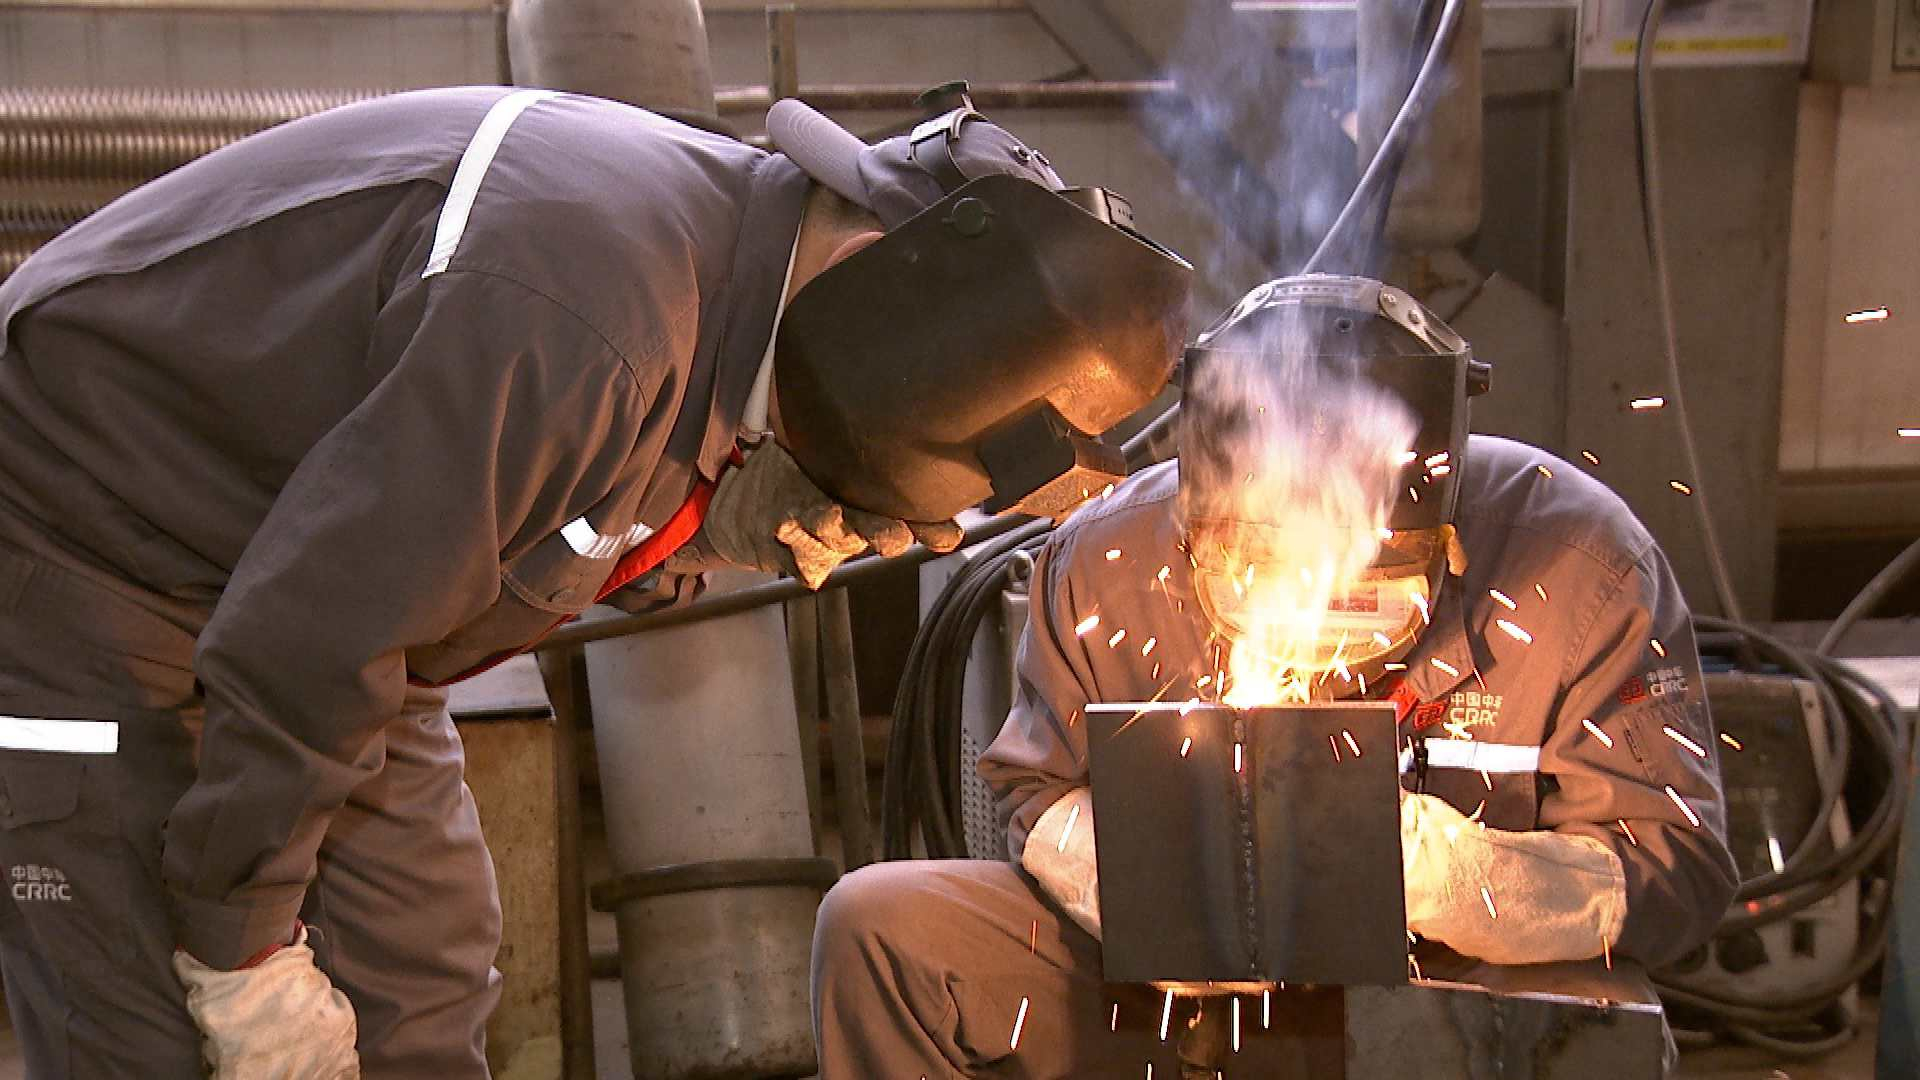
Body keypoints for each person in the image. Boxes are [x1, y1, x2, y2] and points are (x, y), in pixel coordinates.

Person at [0, 86, 1190, 1077]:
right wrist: (244, 957)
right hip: (82, 528)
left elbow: (510, 534)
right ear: (896, 293)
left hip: (333, 591)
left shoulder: (725, 283)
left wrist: (709, 531)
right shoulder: (587, 311)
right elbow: (307, 639)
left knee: (421, 967)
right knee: (151, 1021)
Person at [811, 274, 1739, 1077]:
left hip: (1448, 993)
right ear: (1194, 529)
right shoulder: (1105, 561)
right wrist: (1134, 890)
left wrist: (1465, 880)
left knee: (1590, 1023)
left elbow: (1682, 872)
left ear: (1444, 544)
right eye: (1256, 580)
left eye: (1349, 592)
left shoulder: (1578, 566)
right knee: (879, 926)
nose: (1302, 636)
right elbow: (1036, 791)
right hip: (1163, 998)